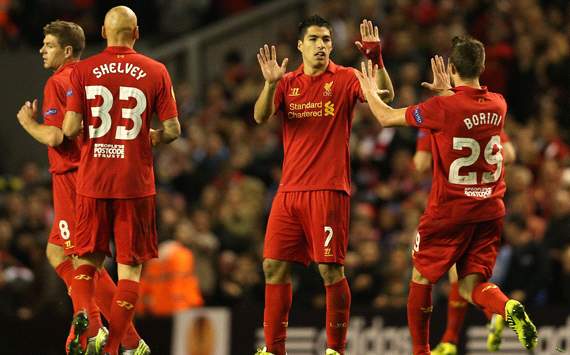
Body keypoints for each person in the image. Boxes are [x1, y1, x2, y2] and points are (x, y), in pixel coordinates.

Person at [354, 37, 538, 354]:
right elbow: (467, 115)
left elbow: (386, 117)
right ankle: (506, 307)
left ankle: (421, 350)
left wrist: (369, 87)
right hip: (489, 210)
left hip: (450, 212)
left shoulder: (441, 108)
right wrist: (447, 93)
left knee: (421, 279)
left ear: (450, 68)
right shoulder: (499, 104)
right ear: (482, 68)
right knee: (469, 286)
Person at [253, 16, 394, 355]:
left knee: (330, 270)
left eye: (327, 39)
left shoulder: (346, 77)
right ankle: (274, 350)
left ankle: (335, 349)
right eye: (314, 39)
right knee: (272, 265)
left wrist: (376, 61)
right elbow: (259, 116)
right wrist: (270, 84)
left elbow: (385, 94)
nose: (321, 45)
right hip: (289, 192)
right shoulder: (286, 82)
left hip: (328, 190)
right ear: (300, 45)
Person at [16, 20, 147, 355]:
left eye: (48, 45)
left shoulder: (58, 81)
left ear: (68, 50)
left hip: (72, 178)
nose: (42, 50)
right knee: (58, 252)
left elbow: (58, 136)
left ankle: (99, 331)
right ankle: (111, 333)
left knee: (82, 261)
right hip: (95, 172)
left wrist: (28, 122)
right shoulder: (90, 75)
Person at [62, 6, 181, 355]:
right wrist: (147, 136)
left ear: (103, 31)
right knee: (130, 271)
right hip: (134, 183)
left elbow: (69, 129)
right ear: (137, 33)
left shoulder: (82, 71)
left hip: (93, 180)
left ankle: (86, 315)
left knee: (87, 261)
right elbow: (173, 130)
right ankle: (115, 347)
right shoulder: (156, 71)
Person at [414, 128, 516, 355]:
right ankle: (464, 331)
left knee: (432, 273)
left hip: (452, 205)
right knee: (462, 276)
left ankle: (444, 341)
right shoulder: (486, 115)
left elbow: (420, 164)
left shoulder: (434, 116)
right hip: (489, 203)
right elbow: (509, 154)